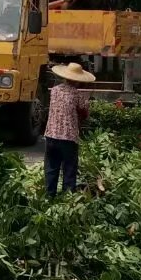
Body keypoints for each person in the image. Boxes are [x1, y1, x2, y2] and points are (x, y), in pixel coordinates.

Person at [43, 61, 95, 197]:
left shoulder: (54, 91)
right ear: (77, 80)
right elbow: (84, 113)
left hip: (51, 135)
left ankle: (49, 196)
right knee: (69, 169)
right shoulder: (77, 95)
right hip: (68, 138)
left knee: (51, 168)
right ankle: (67, 198)